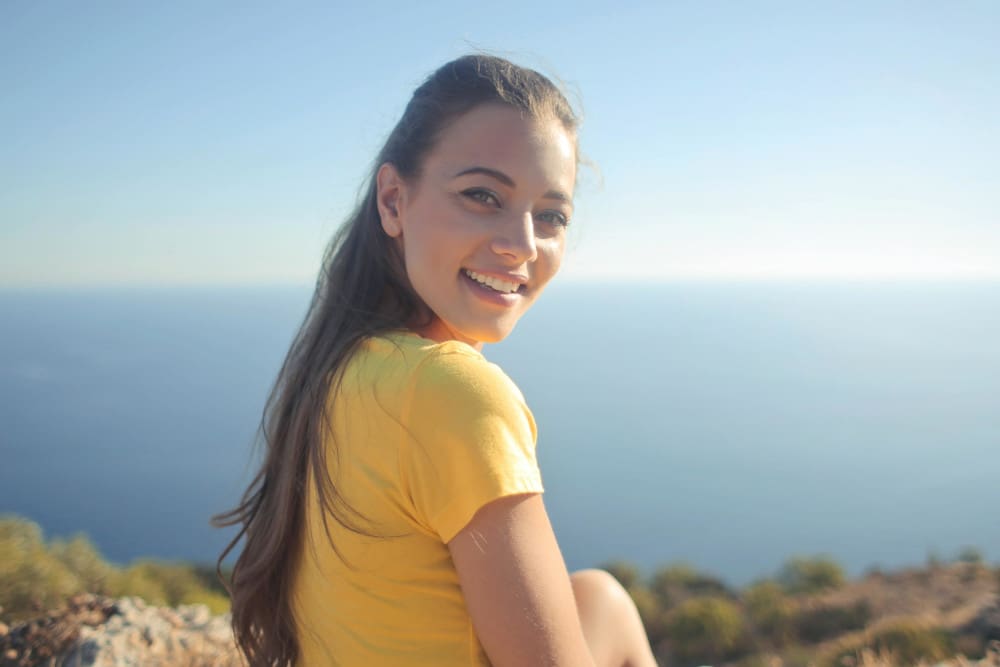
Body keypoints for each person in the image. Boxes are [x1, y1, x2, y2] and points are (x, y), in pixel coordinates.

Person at [214, 54, 658, 667]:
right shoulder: (454, 392)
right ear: (393, 200)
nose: (522, 245)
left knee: (601, 598)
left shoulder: (344, 366)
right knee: (608, 603)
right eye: (482, 196)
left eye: (551, 216)